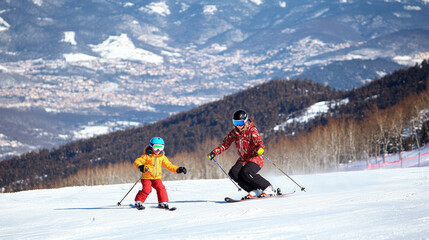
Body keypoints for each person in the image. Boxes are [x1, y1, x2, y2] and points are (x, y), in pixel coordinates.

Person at [207, 109, 275, 199]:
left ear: (246, 121)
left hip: (255, 157)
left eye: (240, 123)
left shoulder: (252, 130)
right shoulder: (234, 133)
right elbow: (225, 144)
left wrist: (260, 149)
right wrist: (214, 153)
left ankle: (268, 188)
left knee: (247, 172)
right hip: (244, 158)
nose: (238, 126)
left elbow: (259, 142)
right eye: (235, 122)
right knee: (233, 173)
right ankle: (254, 190)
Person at [134, 137, 187, 210]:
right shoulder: (146, 156)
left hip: (157, 178)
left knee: (161, 188)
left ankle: (163, 202)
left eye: (161, 147)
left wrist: (178, 169)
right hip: (146, 177)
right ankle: (139, 202)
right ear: (151, 146)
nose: (158, 150)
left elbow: (169, 165)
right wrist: (141, 166)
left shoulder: (162, 157)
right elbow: (137, 161)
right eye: (156, 147)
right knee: (147, 189)